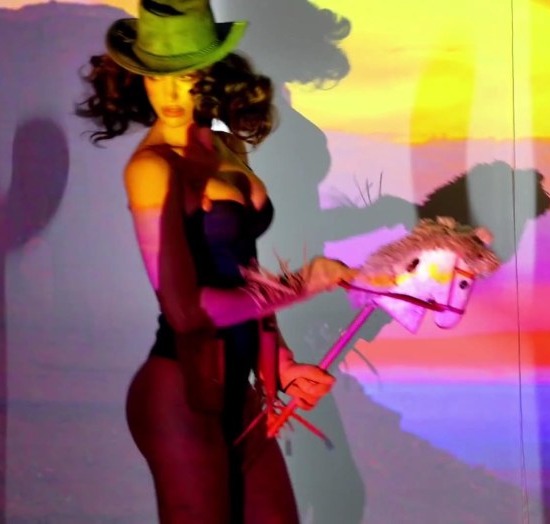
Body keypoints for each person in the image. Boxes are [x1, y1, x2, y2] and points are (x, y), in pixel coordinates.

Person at [76, 1, 357, 522]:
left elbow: (243, 269)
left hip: (238, 392)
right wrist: (300, 285)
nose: (169, 95)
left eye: (184, 77)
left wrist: (281, 364)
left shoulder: (226, 146)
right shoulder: (153, 168)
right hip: (180, 394)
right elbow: (185, 312)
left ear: (209, 74)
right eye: (155, 77)